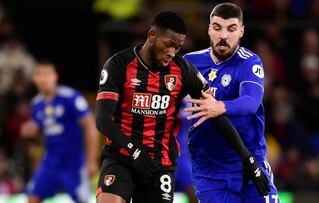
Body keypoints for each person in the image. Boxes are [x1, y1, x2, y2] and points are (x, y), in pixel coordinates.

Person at [95, 11, 269, 203]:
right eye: (168, 45)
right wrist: (133, 148)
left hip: (160, 163)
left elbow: (214, 114)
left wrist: (247, 158)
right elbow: (102, 120)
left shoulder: (183, 70)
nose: (172, 53)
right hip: (121, 156)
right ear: (151, 35)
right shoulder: (118, 65)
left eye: (177, 48)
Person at [183, 3, 278, 202]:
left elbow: (251, 102)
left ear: (241, 31)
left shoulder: (249, 62)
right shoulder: (189, 63)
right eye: (217, 28)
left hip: (250, 163)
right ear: (209, 29)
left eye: (231, 28)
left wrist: (221, 106)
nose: (223, 35)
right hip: (210, 171)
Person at [20, 61, 99, 203]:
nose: (44, 79)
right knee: (31, 198)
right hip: (50, 163)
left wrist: (91, 161)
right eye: (40, 75)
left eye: (48, 74)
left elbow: (90, 126)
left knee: (83, 200)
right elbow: (41, 136)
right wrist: (30, 133)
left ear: (55, 76)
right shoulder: (36, 104)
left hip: (73, 164)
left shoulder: (70, 97)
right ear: (34, 79)